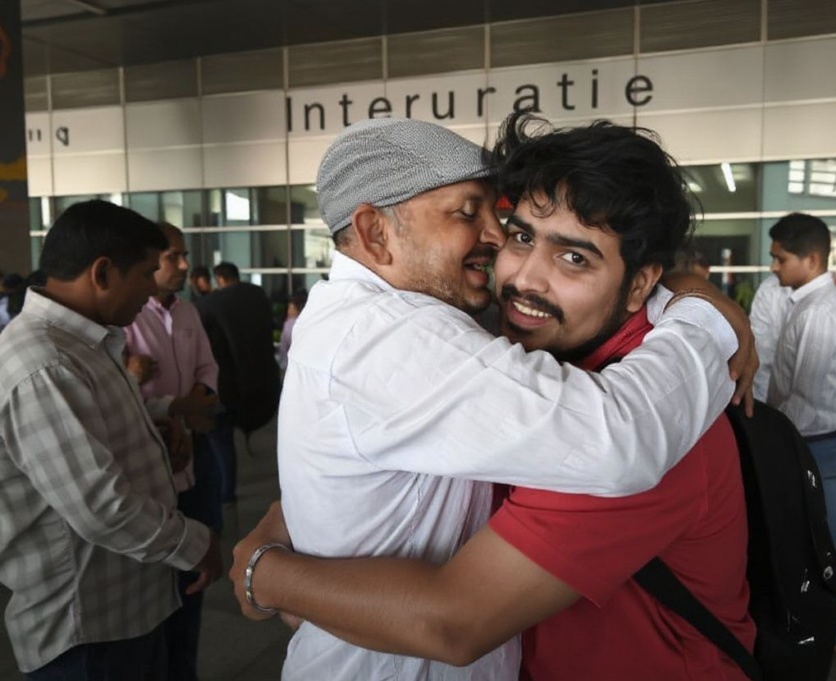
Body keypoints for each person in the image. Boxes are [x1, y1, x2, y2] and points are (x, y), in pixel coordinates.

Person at [229, 115, 754, 680]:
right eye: (521, 234)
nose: (519, 268)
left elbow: (453, 622)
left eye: (574, 257)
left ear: (638, 286)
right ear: (376, 234)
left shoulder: (662, 412)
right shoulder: (434, 340)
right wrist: (699, 308)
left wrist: (271, 570)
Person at [0, 200, 221, 680]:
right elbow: (101, 506)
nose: (152, 287)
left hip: (126, 609)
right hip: (86, 631)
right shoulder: (44, 362)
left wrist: (153, 429)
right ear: (102, 273)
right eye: (146, 273)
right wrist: (196, 543)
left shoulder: (85, 341)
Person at [123, 223, 223, 681]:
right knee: (156, 582)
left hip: (194, 452)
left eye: (184, 256)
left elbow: (207, 365)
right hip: (154, 458)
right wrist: (175, 407)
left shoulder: (187, 313)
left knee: (195, 580)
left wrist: (200, 398)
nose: (183, 265)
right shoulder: (125, 316)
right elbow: (120, 395)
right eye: (173, 257)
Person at [765, 212, 836, 652]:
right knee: (817, 539)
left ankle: (831, 633)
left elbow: (805, 395)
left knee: (821, 542)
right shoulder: (807, 304)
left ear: (812, 259)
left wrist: (775, 443)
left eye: (781, 259)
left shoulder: (819, 313)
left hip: (816, 443)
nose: (774, 267)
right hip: (814, 440)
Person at [196, 261, 281, 502]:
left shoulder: (210, 305)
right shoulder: (257, 296)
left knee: (220, 442)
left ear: (220, 279)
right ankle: (226, 491)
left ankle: (226, 491)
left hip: (223, 385)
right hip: (259, 384)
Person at [749, 274, 791, 402]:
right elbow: (761, 350)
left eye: (782, 260)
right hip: (768, 392)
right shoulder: (769, 289)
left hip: (814, 415)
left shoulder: (821, 306)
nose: (774, 266)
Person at [278, 289, 307, 372]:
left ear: (296, 309)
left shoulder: (289, 325)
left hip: (290, 369)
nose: (288, 311)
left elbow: (283, 350)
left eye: (290, 308)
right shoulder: (309, 323)